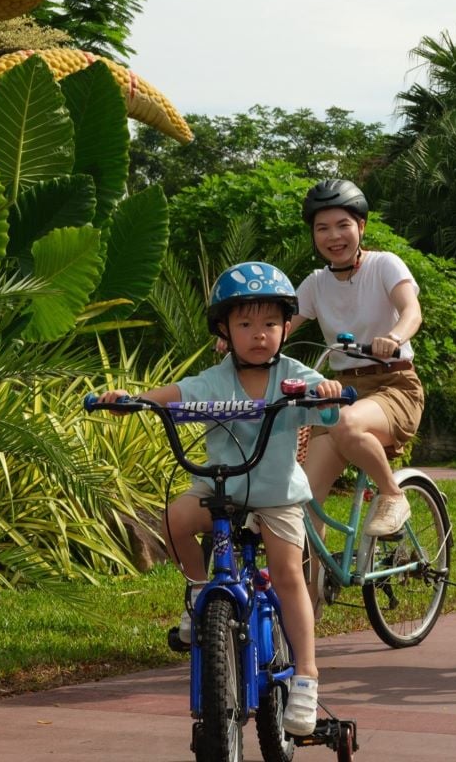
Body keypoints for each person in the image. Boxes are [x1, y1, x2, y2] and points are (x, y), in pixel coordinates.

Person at [98, 261, 344, 735]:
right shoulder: (213, 381)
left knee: (290, 574)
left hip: (275, 497)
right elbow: (170, 395)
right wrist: (132, 399)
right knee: (172, 520)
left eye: (270, 323)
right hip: (220, 491)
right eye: (245, 324)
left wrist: (329, 393)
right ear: (224, 331)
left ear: (287, 328)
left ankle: (308, 677)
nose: (259, 334)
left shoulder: (295, 378)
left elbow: (328, 410)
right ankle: (196, 590)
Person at [291, 179, 425, 538]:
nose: (333, 236)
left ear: (361, 227)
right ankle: (311, 593)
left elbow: (411, 310)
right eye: (322, 228)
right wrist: (241, 341)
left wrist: (395, 337)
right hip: (340, 390)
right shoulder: (315, 283)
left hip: (393, 384)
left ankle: (393, 495)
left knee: (347, 424)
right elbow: (279, 327)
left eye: (343, 225)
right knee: (306, 501)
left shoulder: (385, 265)